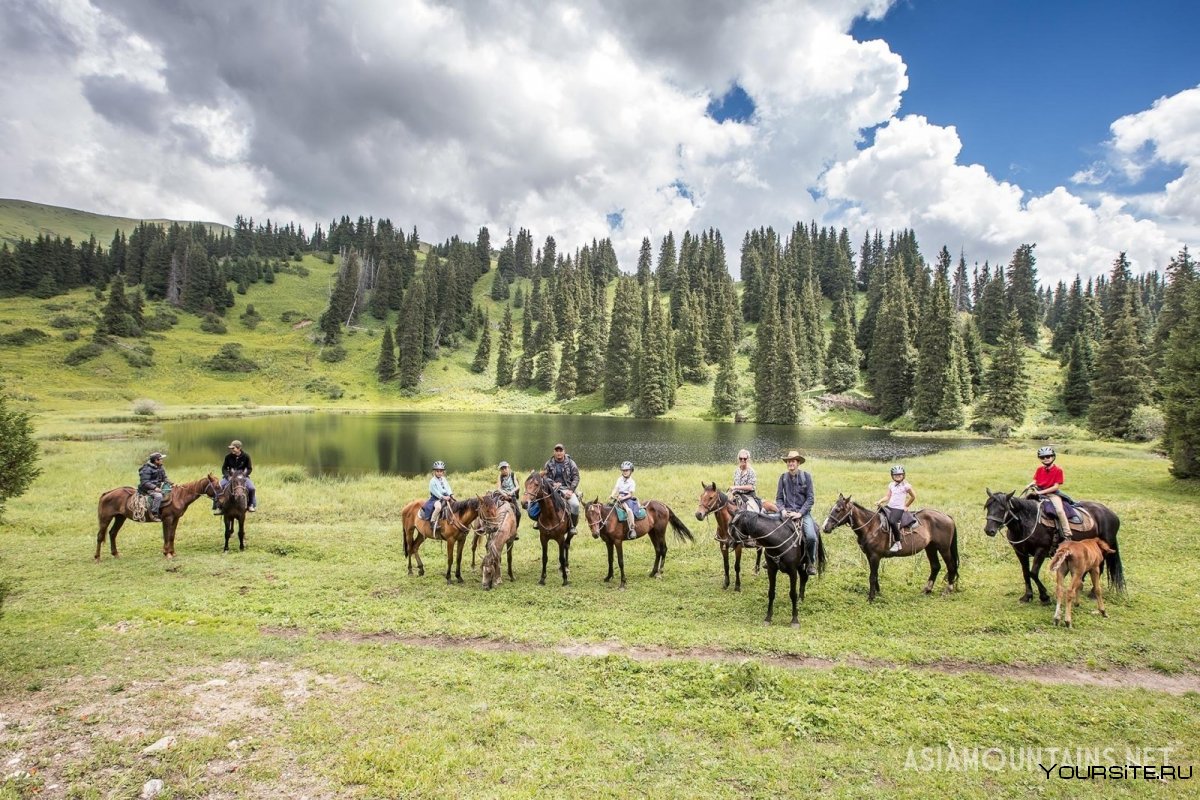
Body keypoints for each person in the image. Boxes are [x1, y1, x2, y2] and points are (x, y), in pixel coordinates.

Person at [775, 449, 819, 576]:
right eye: (788, 461)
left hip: (803, 514)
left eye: (793, 461)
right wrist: (782, 510)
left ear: (798, 463)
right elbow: (779, 498)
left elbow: (810, 499)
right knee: (769, 528)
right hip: (786, 513)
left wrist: (800, 513)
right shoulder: (783, 478)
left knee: (811, 536)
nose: (790, 463)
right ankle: (772, 558)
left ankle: (811, 562)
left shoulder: (807, 477)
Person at [1026, 445, 1072, 538]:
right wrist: (1030, 484)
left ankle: (1067, 533)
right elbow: (1036, 480)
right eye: (1043, 457)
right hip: (1039, 491)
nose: (1046, 459)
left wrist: (1040, 493)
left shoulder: (1058, 470)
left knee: (1059, 511)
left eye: (1048, 456)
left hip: (1052, 494)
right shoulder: (1039, 469)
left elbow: (1055, 487)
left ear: (1053, 457)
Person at [876, 465, 917, 553]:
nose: (898, 476)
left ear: (903, 475)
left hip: (898, 509)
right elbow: (888, 496)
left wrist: (906, 506)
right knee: (878, 515)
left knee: (892, 521)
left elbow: (913, 496)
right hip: (890, 506)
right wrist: (880, 501)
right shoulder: (891, 485)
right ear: (892, 476)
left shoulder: (906, 486)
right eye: (895, 475)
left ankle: (898, 543)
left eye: (900, 475)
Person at [541, 443, 581, 534]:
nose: (559, 453)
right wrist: (553, 483)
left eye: (560, 450)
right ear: (554, 452)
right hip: (551, 489)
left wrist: (571, 490)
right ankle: (539, 522)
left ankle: (572, 527)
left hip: (567, 488)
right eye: (557, 451)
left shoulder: (571, 463)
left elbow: (576, 477)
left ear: (564, 451)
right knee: (542, 501)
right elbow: (545, 477)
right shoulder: (549, 463)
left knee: (575, 505)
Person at [213, 439, 256, 514]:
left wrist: (244, 475)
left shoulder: (246, 456)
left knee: (252, 488)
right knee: (218, 487)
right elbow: (224, 468)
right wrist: (227, 476)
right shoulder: (228, 457)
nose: (231, 450)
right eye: (231, 448)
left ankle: (251, 505)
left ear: (239, 448)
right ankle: (218, 507)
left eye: (233, 448)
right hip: (230, 476)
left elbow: (249, 468)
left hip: (242, 477)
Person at [422, 460, 455, 539]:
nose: (439, 473)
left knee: (454, 505)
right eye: (437, 471)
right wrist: (442, 497)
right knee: (438, 507)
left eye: (441, 471)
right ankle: (432, 522)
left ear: (443, 472)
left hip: (446, 497)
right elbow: (435, 492)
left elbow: (448, 487)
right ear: (434, 472)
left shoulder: (443, 479)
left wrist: (451, 494)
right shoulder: (432, 481)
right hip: (436, 499)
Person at [610, 460, 639, 540]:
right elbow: (616, 488)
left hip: (626, 498)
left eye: (627, 470)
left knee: (629, 510)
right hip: (619, 497)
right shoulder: (619, 479)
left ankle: (632, 528)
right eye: (623, 470)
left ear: (631, 471)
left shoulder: (632, 482)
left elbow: (630, 494)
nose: (625, 472)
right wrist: (612, 494)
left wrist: (622, 498)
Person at [138, 451, 169, 522]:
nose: (162, 460)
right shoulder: (146, 469)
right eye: (160, 459)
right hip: (147, 489)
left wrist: (171, 483)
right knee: (158, 496)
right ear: (156, 460)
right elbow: (145, 482)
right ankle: (154, 513)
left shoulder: (160, 467)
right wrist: (155, 488)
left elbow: (164, 478)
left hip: (157, 487)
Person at [496, 460, 521, 538]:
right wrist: (504, 494)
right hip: (503, 496)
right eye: (502, 469)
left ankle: (515, 531)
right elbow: (498, 488)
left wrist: (511, 492)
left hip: (512, 496)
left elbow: (517, 486)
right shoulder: (500, 476)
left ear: (508, 467)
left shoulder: (513, 475)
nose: (504, 470)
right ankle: (495, 527)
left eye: (505, 468)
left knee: (518, 514)